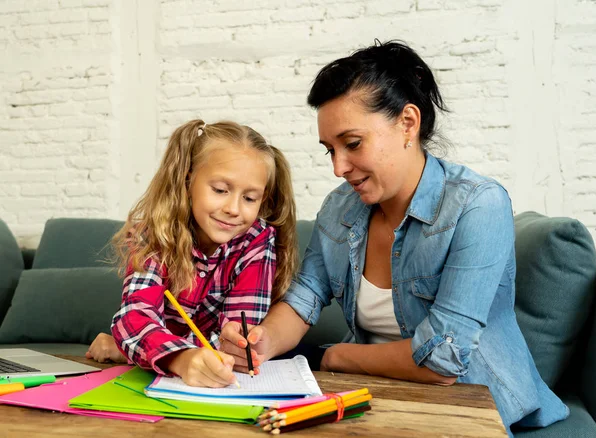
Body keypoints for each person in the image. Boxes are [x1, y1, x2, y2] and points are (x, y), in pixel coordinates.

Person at [218, 41, 569, 435]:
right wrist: (264, 340)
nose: (338, 167)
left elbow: (443, 361)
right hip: (370, 398)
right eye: (329, 150)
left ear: (407, 123)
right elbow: (305, 298)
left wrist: (334, 357)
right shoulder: (340, 208)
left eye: (352, 144)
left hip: (471, 403)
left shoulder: (477, 205)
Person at [87, 119, 297, 388]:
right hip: (170, 368)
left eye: (249, 198)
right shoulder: (153, 234)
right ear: (187, 180)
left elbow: (232, 344)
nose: (234, 208)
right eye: (220, 190)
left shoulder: (257, 241)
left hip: (175, 362)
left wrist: (130, 350)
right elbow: (134, 317)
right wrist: (180, 358)